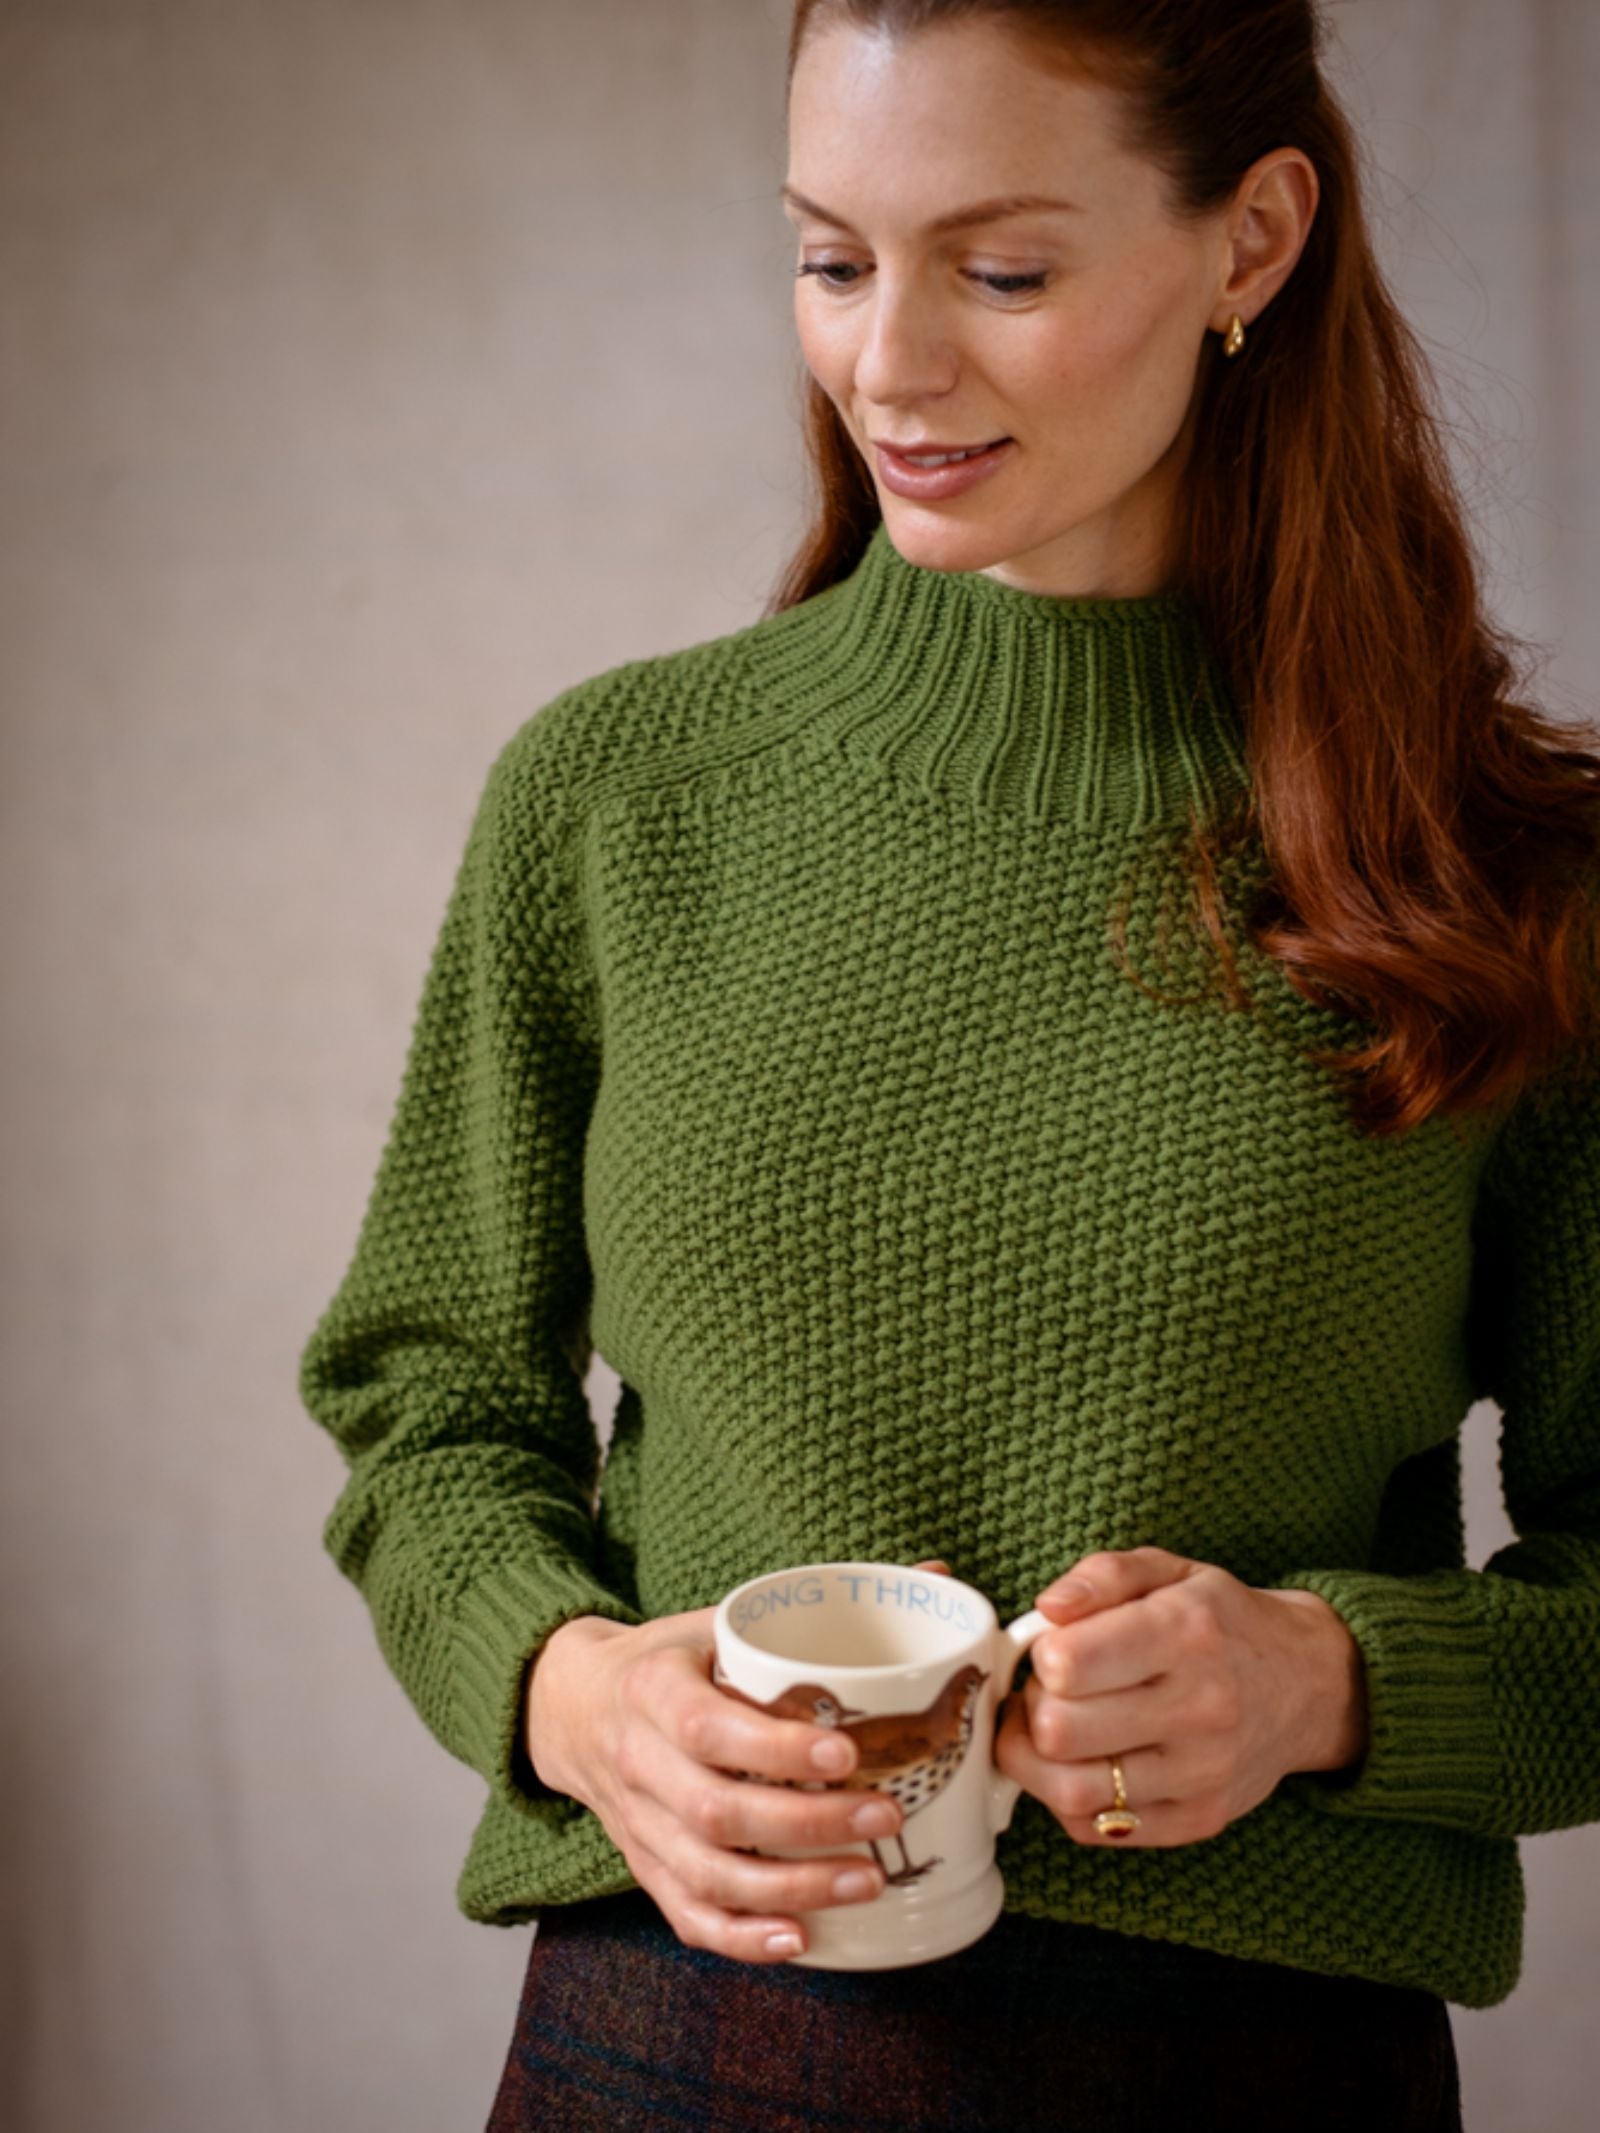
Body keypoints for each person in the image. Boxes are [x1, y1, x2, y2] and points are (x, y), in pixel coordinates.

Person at [296, 3, 1600, 2127]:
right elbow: (422, 1400)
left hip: (1254, 2067)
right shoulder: (618, 803)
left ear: (1250, 240)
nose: (886, 365)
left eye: (998, 270)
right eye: (829, 258)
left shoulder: (1503, 876)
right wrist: (572, 1687)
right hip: (672, 2042)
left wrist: (1328, 1682)